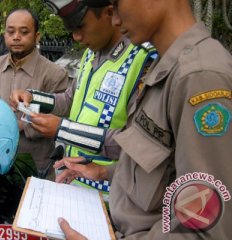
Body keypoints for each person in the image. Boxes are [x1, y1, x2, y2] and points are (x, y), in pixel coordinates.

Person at [55, 0, 232, 239]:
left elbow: (203, 229)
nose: (115, 19)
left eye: (117, 4)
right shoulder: (167, 66)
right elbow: (161, 169)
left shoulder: (200, 76)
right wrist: (105, 172)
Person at [10, 0, 156, 194]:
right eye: (70, 29)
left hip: (114, 192)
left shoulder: (143, 60)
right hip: (76, 181)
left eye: (81, 26)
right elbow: (71, 99)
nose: (76, 37)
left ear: (109, 13)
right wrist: (33, 97)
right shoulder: (89, 54)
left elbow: (138, 143)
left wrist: (63, 130)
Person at [0, 9, 69, 176]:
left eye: (24, 32)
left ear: (37, 36)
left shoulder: (54, 73)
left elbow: (58, 117)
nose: (16, 37)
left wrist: (19, 125)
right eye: (11, 31)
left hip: (36, 162)